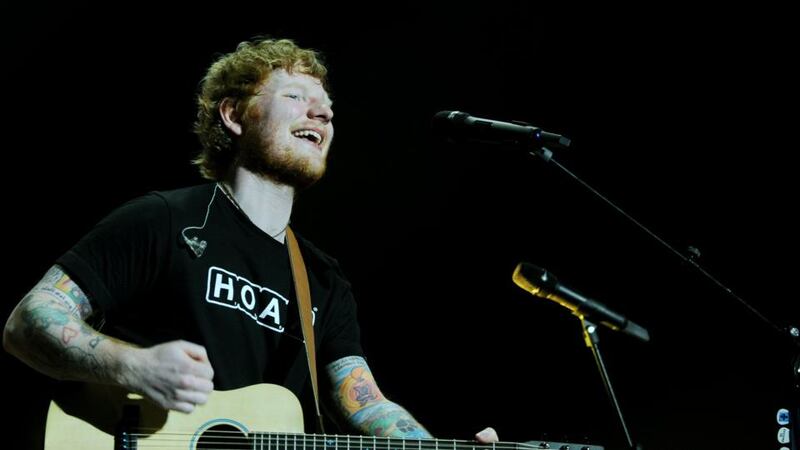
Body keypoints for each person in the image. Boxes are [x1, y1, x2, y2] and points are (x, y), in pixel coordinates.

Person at [3, 37, 498, 443]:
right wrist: (134, 366)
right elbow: (30, 321)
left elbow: (367, 406)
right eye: (296, 97)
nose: (322, 114)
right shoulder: (164, 220)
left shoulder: (322, 280)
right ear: (234, 116)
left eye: (327, 108)